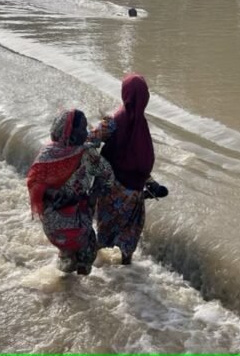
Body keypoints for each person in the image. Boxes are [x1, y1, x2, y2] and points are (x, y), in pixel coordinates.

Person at [90, 73, 167, 265]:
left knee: (105, 227)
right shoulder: (140, 123)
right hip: (134, 189)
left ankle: (91, 263)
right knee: (130, 229)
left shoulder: (114, 120)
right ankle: (127, 268)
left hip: (111, 186)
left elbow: (90, 140)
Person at [27, 109, 114, 275]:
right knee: (87, 251)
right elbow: (108, 175)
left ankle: (66, 284)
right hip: (78, 220)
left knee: (67, 255)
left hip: (53, 227)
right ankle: (79, 294)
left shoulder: (47, 154)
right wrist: (94, 195)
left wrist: (52, 194)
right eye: (81, 128)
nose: (86, 132)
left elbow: (33, 182)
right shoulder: (87, 154)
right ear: (70, 133)